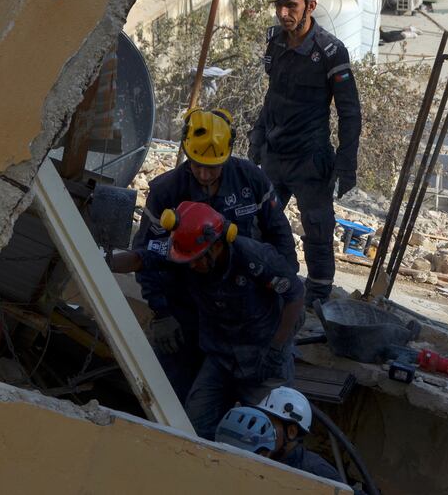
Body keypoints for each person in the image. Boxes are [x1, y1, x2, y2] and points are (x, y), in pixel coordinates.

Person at [133, 107, 297, 403]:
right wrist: (162, 312)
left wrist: (281, 289)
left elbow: (280, 235)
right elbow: (148, 253)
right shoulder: (166, 191)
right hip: (187, 307)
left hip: (244, 308)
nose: (205, 175)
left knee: (259, 403)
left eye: (214, 167)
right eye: (197, 166)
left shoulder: (251, 180)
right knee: (174, 396)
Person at [112, 201, 304, 440]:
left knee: (270, 437)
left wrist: (276, 347)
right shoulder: (182, 250)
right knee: (192, 429)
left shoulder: (254, 258)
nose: (192, 265)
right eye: (188, 259)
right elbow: (140, 259)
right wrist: (102, 260)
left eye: (198, 258)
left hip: (263, 359)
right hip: (221, 356)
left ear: (217, 245)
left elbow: (295, 295)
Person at [249, 0, 362, 307]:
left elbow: (349, 111)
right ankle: (264, 288)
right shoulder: (274, 42)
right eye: (279, 6)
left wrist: (346, 164)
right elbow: (273, 97)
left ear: (310, 5)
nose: (284, 13)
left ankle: (317, 300)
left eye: (292, 6)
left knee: (317, 229)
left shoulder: (330, 51)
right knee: (259, 226)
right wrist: (257, 137)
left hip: (310, 161)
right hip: (274, 156)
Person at [255, 387, 343, 482]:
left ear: (291, 432)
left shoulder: (316, 470)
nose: (260, 429)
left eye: (268, 424)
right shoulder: (263, 455)